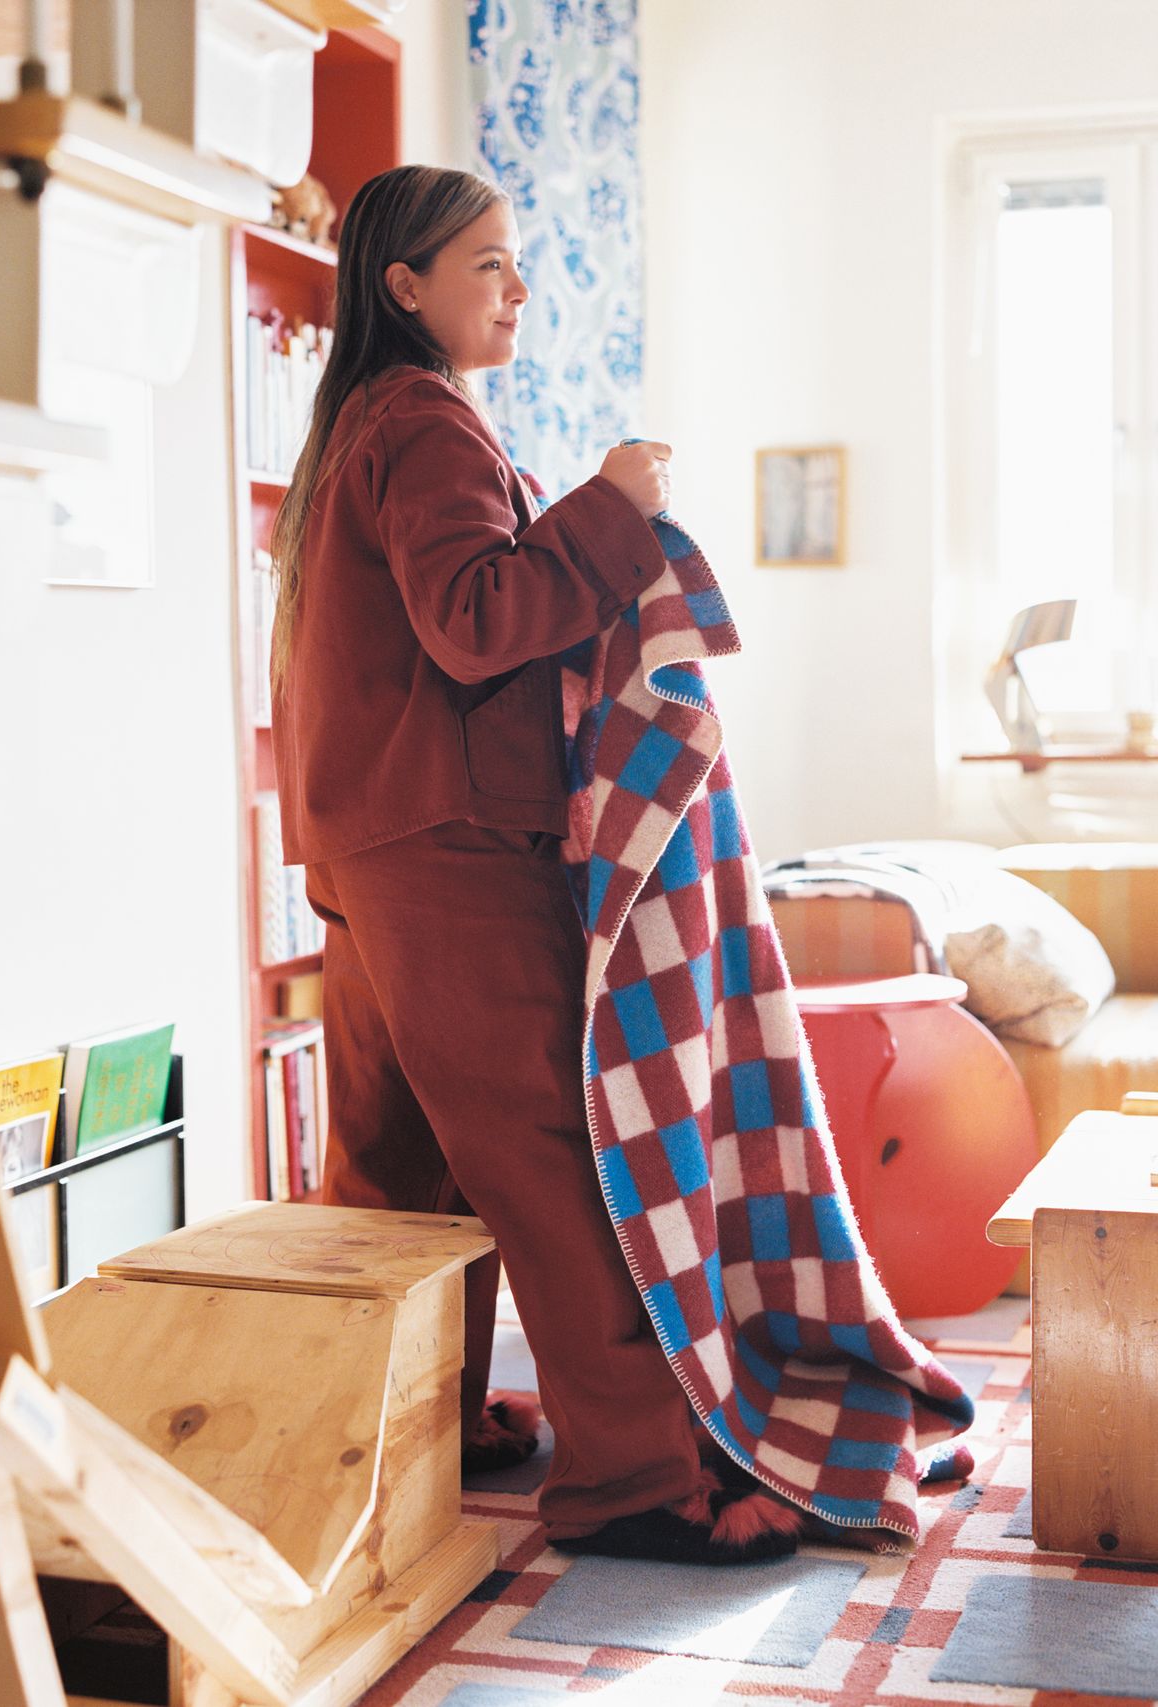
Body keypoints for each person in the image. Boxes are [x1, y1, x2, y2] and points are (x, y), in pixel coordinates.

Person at [269, 164, 780, 1564]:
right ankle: (631, 1481)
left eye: (518, 264)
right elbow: (479, 621)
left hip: (364, 836)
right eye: (488, 264)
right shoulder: (426, 422)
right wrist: (612, 507)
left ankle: (419, 1414)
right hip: (444, 840)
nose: (518, 289)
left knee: (395, 1166)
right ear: (407, 288)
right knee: (550, 1150)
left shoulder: (361, 425)